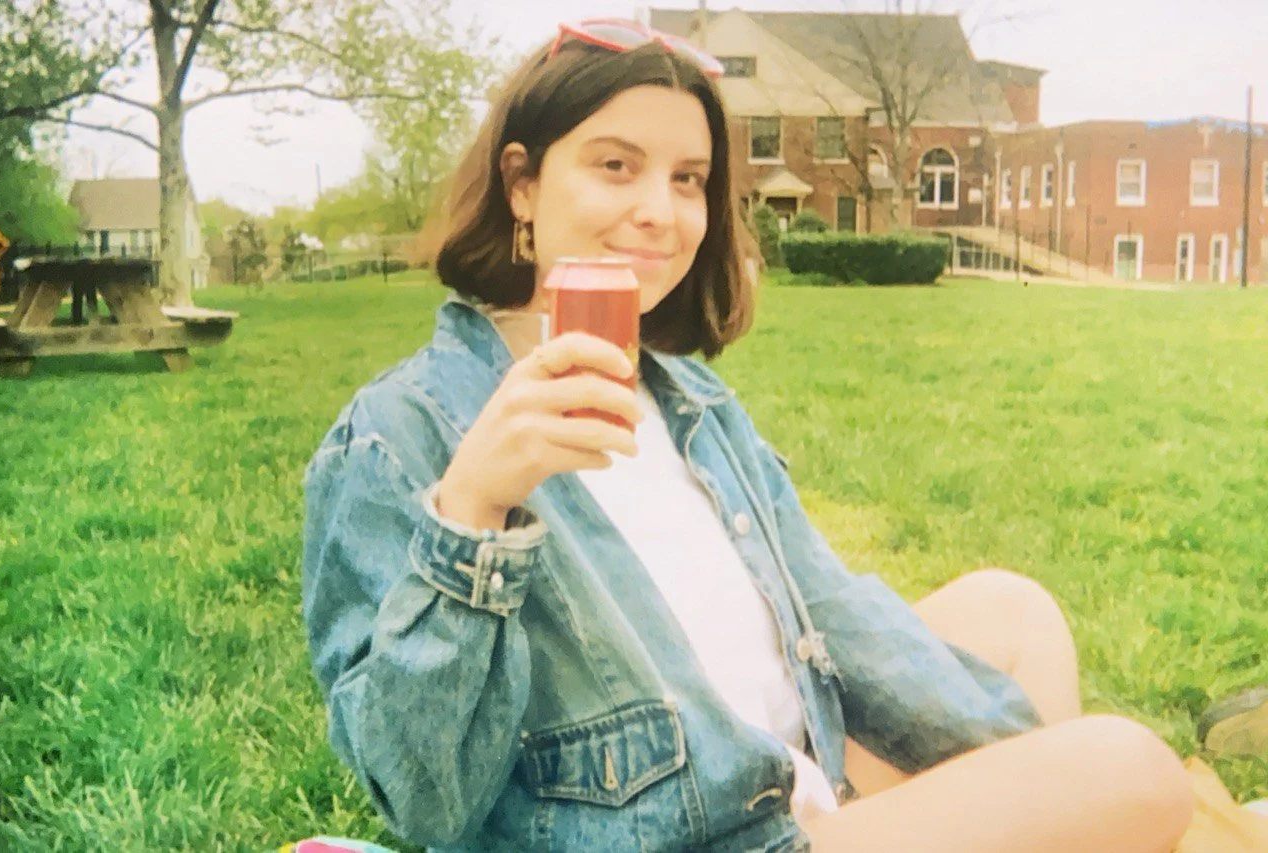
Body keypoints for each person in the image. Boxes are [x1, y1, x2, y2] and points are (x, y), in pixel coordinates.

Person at [301, 18, 1194, 852]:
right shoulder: (398, 433)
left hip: (785, 773)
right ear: (522, 183)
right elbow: (422, 795)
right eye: (616, 165)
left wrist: (1016, 766)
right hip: (695, 830)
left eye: (688, 178)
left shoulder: (692, 401)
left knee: (1012, 610)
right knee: (1133, 770)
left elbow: (832, 616)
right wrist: (474, 512)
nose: (661, 210)